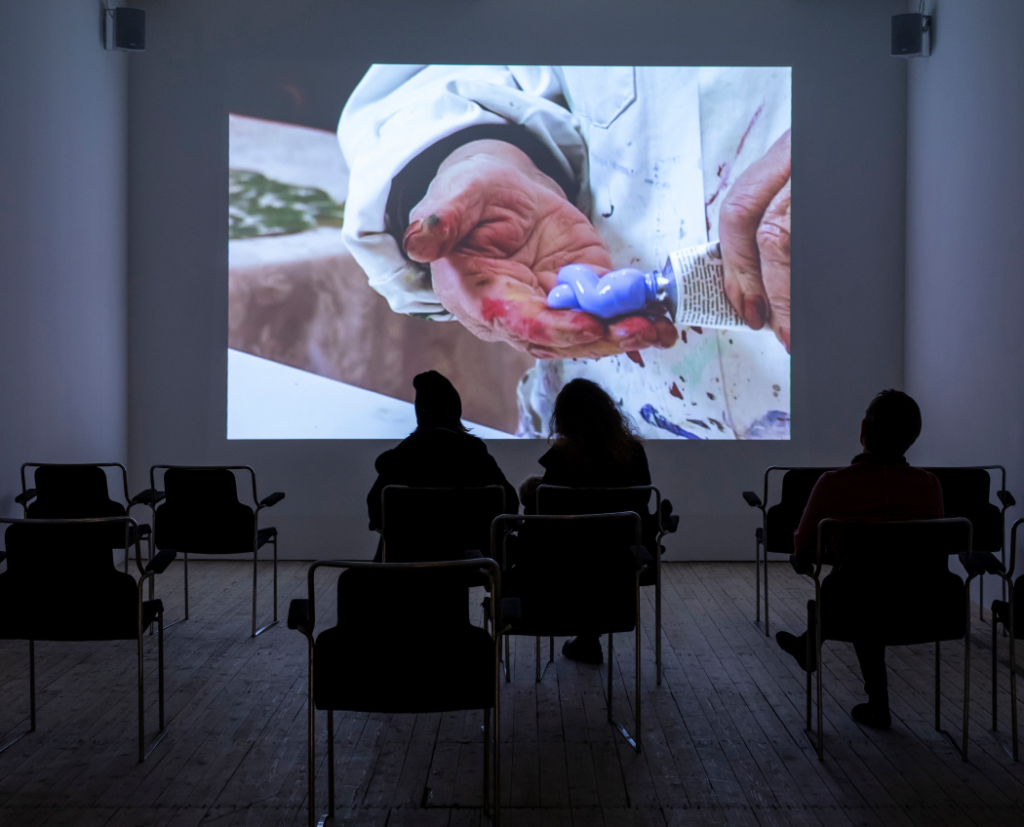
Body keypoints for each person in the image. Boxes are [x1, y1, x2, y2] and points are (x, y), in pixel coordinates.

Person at [338, 66, 791, 440]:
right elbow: (446, 64)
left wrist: (847, 146)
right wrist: (474, 153)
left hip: (827, 425)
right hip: (600, 427)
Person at [775, 390, 944, 729]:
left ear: (864, 428)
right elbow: (934, 548)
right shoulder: (929, 485)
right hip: (920, 608)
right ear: (913, 437)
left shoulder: (834, 484)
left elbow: (803, 546)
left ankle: (812, 648)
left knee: (854, 586)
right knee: (875, 584)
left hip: (855, 607)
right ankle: (872, 701)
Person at [520, 378, 654, 665]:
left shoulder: (561, 458)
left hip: (565, 561)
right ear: (607, 412)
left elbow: (543, 519)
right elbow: (641, 505)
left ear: (564, 418)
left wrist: (532, 492)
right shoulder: (633, 454)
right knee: (597, 556)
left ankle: (585, 635)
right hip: (619, 559)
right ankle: (589, 635)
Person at [366, 371, 519, 548]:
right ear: (455, 411)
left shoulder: (401, 457)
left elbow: (377, 515)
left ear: (420, 415)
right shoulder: (474, 453)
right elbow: (509, 507)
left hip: (406, 567)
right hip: (470, 568)